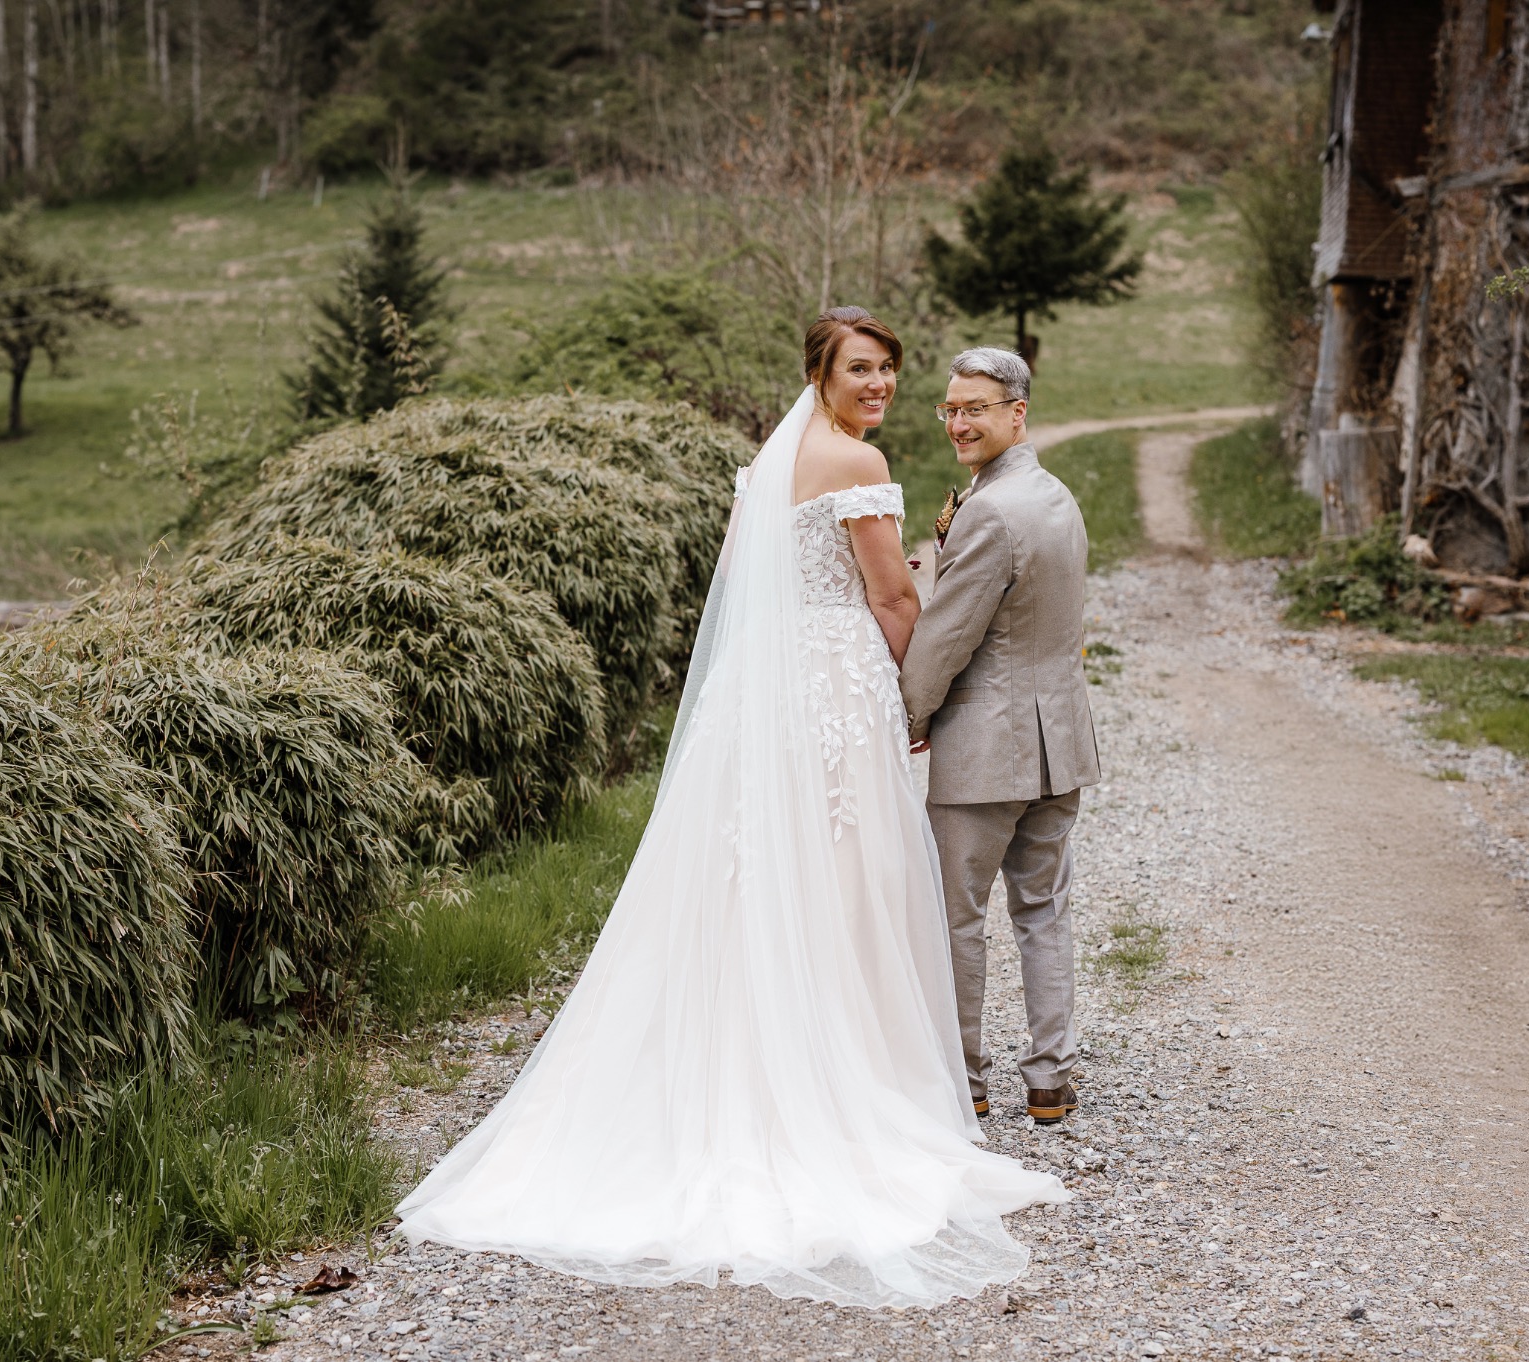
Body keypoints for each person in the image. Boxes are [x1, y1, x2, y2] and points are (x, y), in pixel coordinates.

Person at [396, 309, 1066, 1309]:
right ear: (820, 373)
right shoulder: (855, 461)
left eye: (886, 369)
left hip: (760, 687)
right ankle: (834, 1091)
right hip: (831, 687)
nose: (877, 384)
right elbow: (888, 602)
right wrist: (917, 693)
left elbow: (740, 586)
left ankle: (726, 1064)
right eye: (859, 369)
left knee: (739, 878)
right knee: (844, 882)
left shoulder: (771, 462)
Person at [900, 347, 1102, 1127]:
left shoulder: (988, 511)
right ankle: (1050, 1080)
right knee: (1045, 911)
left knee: (954, 915)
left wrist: (908, 720)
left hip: (987, 749)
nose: (959, 421)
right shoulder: (1056, 497)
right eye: (951, 408)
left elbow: (946, 639)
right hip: (1058, 746)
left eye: (975, 408)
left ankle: (963, 1078)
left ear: (1018, 413)